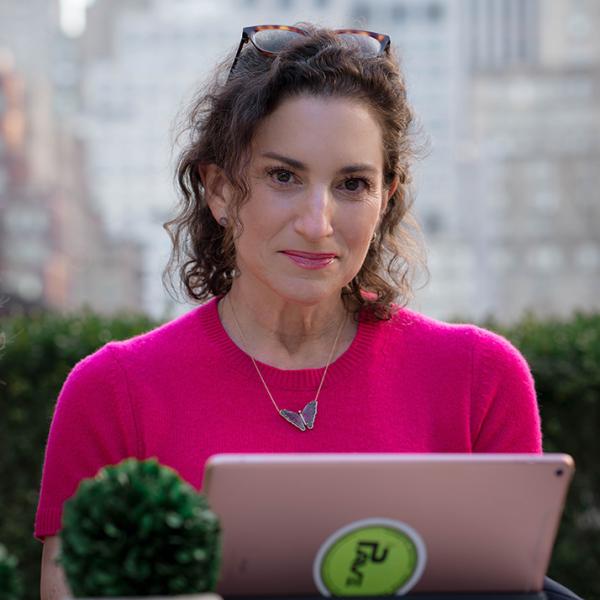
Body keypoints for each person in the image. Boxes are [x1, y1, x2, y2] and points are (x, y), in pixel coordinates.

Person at [38, 23, 580, 600]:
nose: (318, 223)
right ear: (219, 190)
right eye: (284, 176)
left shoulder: (480, 378)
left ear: (385, 199)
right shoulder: (112, 390)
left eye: (352, 184)